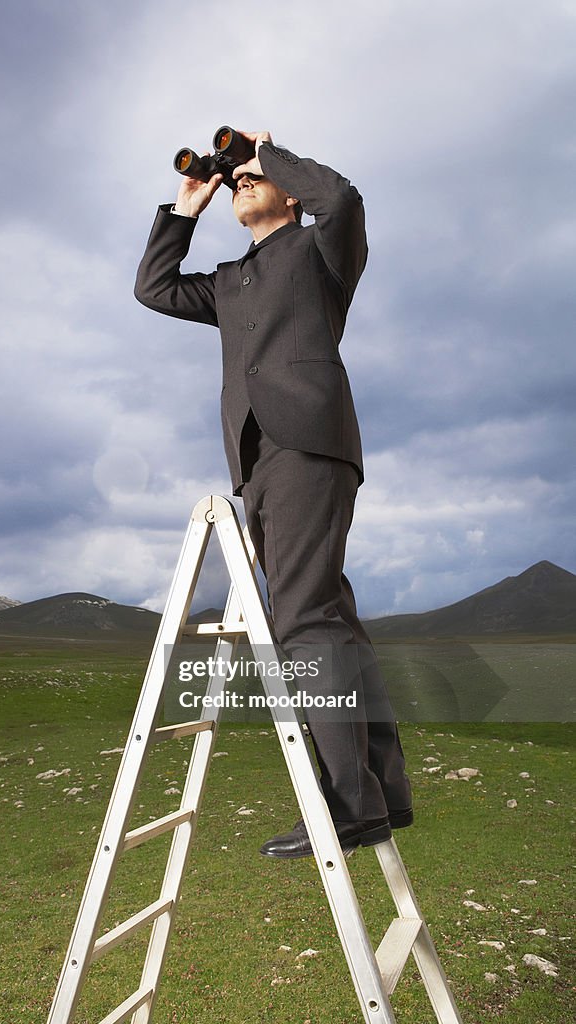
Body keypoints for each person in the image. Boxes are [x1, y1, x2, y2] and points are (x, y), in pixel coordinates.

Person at [135, 129, 412, 858]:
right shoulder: (228, 281)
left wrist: (265, 153)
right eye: (236, 182)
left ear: (287, 190)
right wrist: (186, 206)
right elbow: (153, 289)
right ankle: (382, 795)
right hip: (257, 459)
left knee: (301, 622)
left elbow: (340, 197)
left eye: (250, 180)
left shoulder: (322, 252)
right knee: (329, 617)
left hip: (309, 443)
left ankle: (350, 806)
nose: (239, 184)